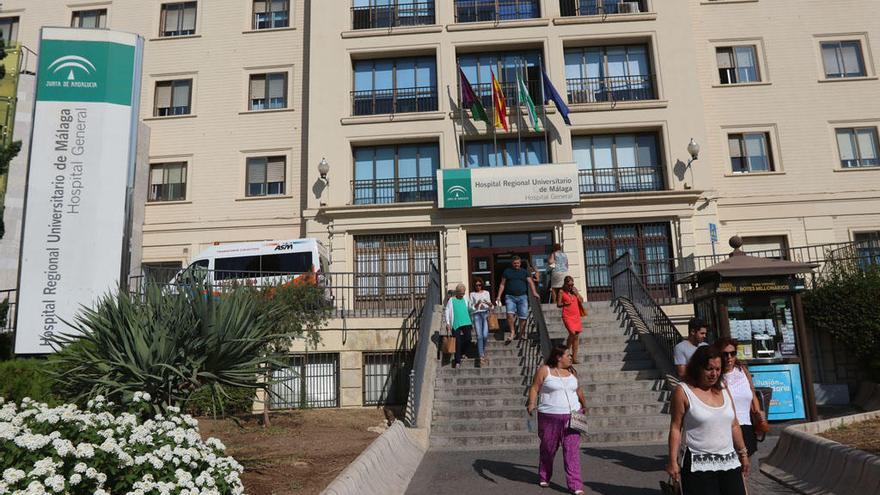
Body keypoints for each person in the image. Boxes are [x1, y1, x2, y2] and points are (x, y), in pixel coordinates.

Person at [667, 346, 750, 495]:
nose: (714, 374)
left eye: (718, 369)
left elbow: (734, 425)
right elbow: (675, 427)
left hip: (729, 462)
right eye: (709, 369)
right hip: (698, 465)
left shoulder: (724, 388)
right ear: (697, 368)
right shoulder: (683, 391)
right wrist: (673, 461)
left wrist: (743, 454)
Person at [527, 345, 587, 495]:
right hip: (549, 416)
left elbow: (578, 390)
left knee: (571, 451)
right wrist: (532, 402)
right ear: (558, 357)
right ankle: (544, 475)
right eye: (568, 355)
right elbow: (535, 387)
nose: (571, 357)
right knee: (548, 448)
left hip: (573, 416)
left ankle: (575, 485)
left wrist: (584, 406)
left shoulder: (572, 372)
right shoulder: (544, 370)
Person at [715, 338, 763, 457]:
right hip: (725, 428)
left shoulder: (742, 371)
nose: (729, 357)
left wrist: (758, 413)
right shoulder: (715, 376)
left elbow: (752, 393)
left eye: (733, 353)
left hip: (746, 425)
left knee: (745, 466)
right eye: (725, 354)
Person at [496, 256, 539, 344]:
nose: (516, 265)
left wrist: (534, 292)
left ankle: (522, 334)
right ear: (512, 263)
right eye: (515, 263)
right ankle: (512, 332)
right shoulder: (507, 271)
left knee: (523, 316)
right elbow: (502, 284)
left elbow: (530, 282)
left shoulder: (524, 271)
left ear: (520, 263)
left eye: (518, 263)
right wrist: (498, 296)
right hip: (510, 297)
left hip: (522, 297)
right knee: (509, 314)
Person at [444, 283, 473, 368]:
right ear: (457, 292)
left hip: (466, 321)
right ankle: (457, 361)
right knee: (457, 342)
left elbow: (470, 309)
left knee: (468, 338)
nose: (462, 295)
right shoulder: (451, 300)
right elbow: (447, 312)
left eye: (463, 293)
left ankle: (463, 352)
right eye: (461, 293)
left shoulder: (465, 299)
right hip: (456, 323)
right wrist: (448, 324)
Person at [557, 276, 584, 364]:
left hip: (576, 316)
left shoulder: (574, 291)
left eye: (572, 284)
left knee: (576, 336)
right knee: (572, 333)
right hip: (567, 316)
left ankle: (574, 357)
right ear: (565, 284)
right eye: (569, 285)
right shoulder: (561, 292)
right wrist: (564, 303)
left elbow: (581, 300)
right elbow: (558, 304)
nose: (571, 286)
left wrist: (577, 294)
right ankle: (566, 351)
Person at [469, 278, 493, 367]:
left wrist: (488, 303)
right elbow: (471, 308)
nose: (478, 287)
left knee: (485, 335)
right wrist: (477, 304)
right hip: (476, 315)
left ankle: (481, 350)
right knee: (479, 336)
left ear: (482, 285)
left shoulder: (486, 293)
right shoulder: (472, 294)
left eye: (479, 285)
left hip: (485, 313)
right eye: (476, 285)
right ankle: (481, 356)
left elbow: (491, 305)